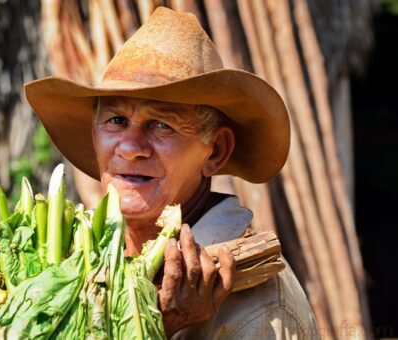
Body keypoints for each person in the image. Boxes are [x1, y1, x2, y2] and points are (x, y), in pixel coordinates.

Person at [25, 6, 319, 339]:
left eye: (162, 125)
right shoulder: (72, 264)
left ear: (216, 151)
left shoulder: (260, 307)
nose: (130, 147)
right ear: (94, 134)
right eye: (116, 121)